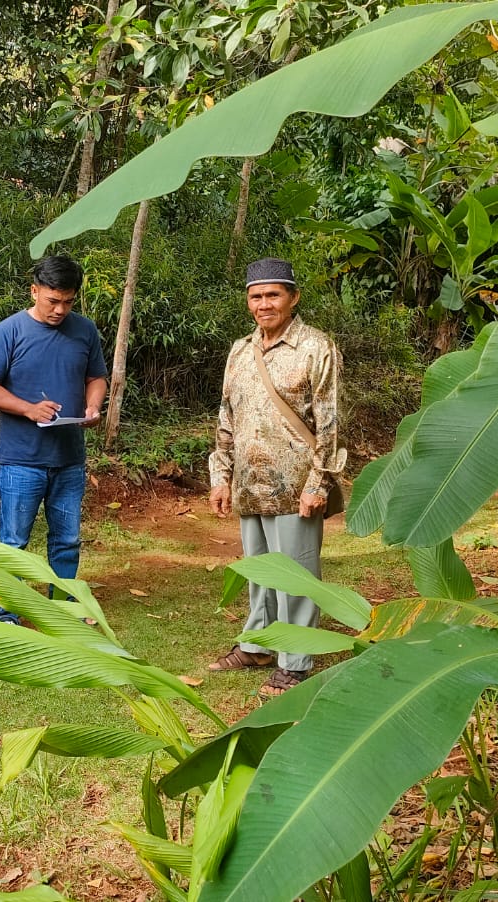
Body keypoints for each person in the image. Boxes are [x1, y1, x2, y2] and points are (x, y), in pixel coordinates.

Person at [207, 257, 344, 696]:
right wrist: (220, 475)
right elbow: (227, 417)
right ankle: (257, 645)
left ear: (293, 297)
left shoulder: (315, 347)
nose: (264, 304)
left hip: (296, 486)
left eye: (273, 295)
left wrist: (317, 484)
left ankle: (295, 662)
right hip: (250, 484)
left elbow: (329, 423)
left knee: (296, 576)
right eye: (256, 296)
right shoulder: (240, 350)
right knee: (260, 572)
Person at [0, 255, 109, 623]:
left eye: (68, 302)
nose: (60, 310)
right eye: (53, 300)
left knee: (67, 540)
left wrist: (93, 406)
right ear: (34, 291)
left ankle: (64, 609)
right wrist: (28, 409)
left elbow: (96, 378)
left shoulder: (84, 331)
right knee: (14, 542)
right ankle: (9, 614)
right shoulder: (8, 332)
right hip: (21, 459)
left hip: (69, 459)